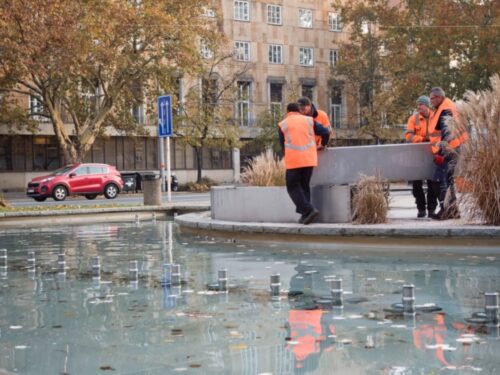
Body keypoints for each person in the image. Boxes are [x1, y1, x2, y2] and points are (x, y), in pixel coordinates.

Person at [278, 102, 330, 224]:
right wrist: (323, 144)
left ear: (288, 112)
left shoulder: (283, 124)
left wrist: (288, 157)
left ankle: (309, 210)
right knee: (304, 186)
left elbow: (283, 146)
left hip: (294, 161)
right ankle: (306, 216)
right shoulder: (309, 120)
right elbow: (326, 132)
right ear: (299, 111)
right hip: (310, 159)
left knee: (292, 187)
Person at [428, 87, 468, 220]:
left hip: (449, 149)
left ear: (439, 97)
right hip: (455, 148)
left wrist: (441, 153)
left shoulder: (445, 109)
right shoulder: (448, 106)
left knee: (438, 180)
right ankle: (453, 210)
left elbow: (448, 133)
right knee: (448, 180)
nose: (431, 101)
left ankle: (446, 210)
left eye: (432, 98)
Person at [404, 95, 437, 218]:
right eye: (417, 105)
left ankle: (432, 210)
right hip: (416, 156)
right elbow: (409, 137)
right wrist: (424, 139)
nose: (418, 107)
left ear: (427, 105)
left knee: (432, 183)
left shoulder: (436, 116)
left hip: (432, 154)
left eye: (421, 104)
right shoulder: (413, 119)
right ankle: (421, 209)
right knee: (416, 184)